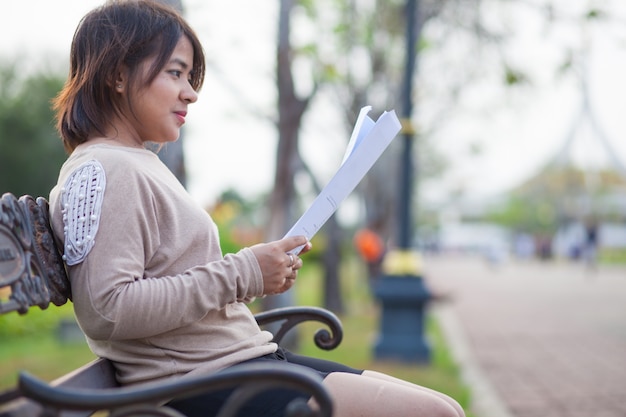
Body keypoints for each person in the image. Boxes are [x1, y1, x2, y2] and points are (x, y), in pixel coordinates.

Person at [48, 1, 465, 416]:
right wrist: (245, 272)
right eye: (175, 72)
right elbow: (108, 309)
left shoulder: (133, 161)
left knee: (443, 407)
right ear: (118, 75)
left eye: (189, 77)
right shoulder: (104, 169)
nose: (191, 93)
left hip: (237, 362)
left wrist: (260, 271)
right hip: (197, 383)